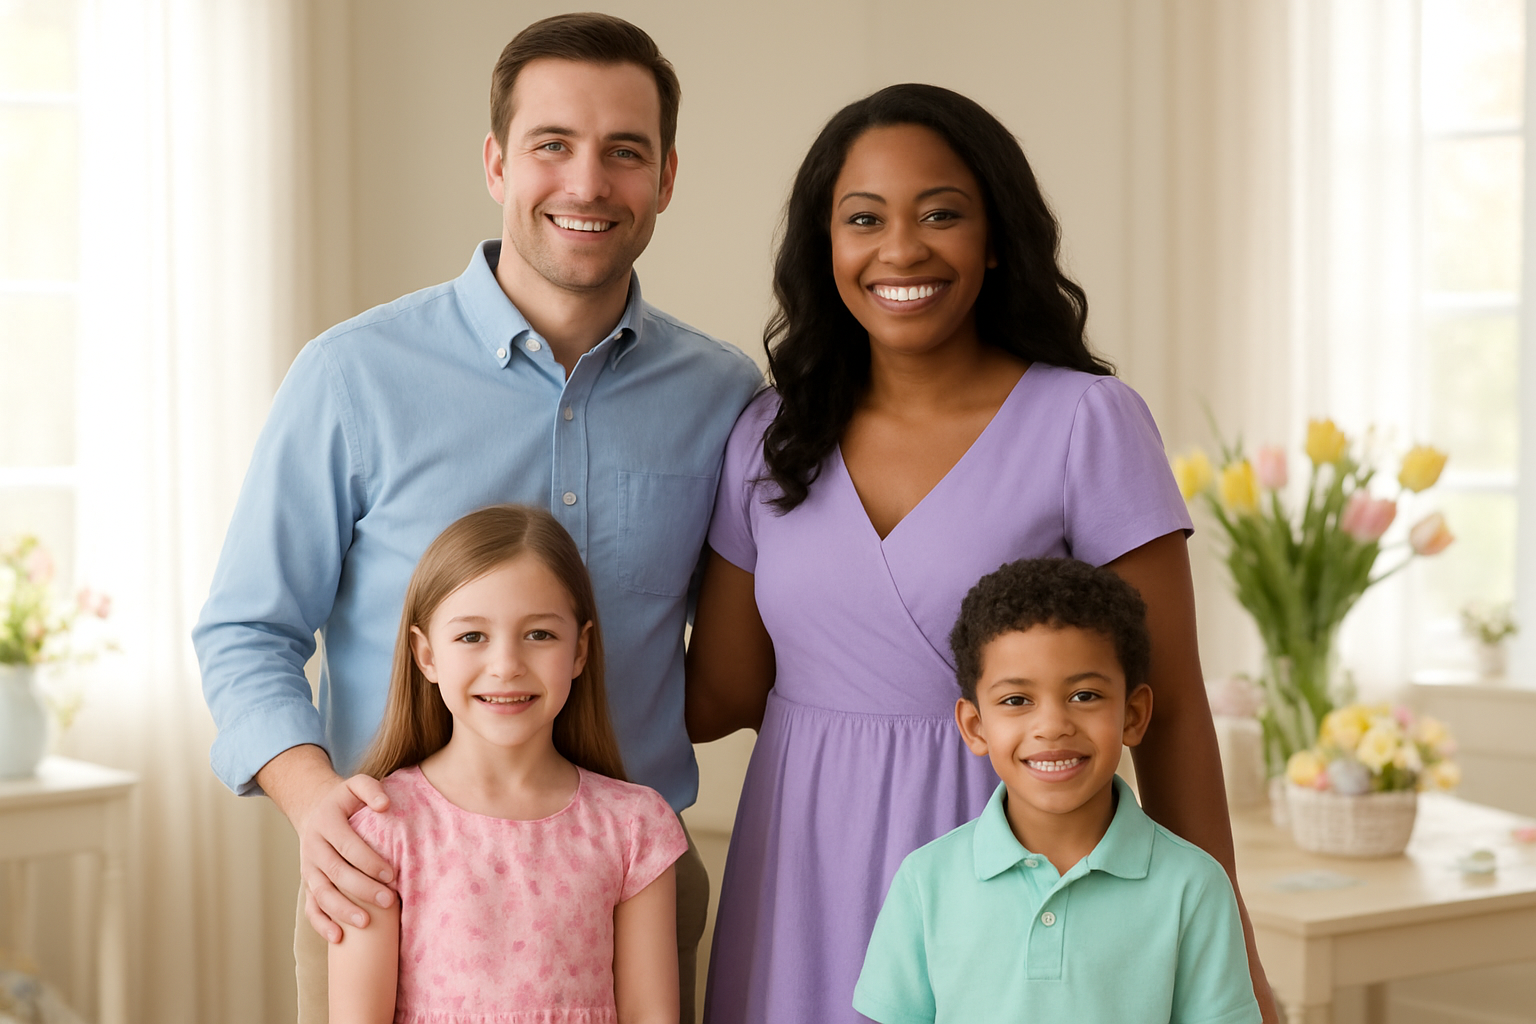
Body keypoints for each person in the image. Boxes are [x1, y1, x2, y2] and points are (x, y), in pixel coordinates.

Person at [193, 14, 761, 1022]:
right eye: (553, 144)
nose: (587, 182)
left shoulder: (723, 399)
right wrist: (315, 801)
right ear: (497, 162)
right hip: (389, 894)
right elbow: (247, 628)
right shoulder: (353, 376)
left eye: (624, 152)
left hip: (637, 886)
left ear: (667, 177)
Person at [685, 83, 1278, 1023]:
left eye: (941, 214)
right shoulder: (769, 434)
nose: (901, 249)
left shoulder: (1087, 422)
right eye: (864, 218)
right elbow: (717, 692)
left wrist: (1229, 950)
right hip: (800, 872)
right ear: (824, 247)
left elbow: (1167, 706)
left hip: (1013, 875)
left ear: (996, 238)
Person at [853, 558, 1261, 1024]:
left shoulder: (1194, 886)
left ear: (1132, 715)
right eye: (1016, 700)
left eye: (1084, 696)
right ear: (975, 726)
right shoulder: (925, 882)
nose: (1052, 726)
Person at [328, 505, 685, 1024]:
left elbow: (651, 1014)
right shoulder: (382, 830)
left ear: (580, 649)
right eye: (472, 636)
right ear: (426, 655)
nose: (506, 666)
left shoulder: (635, 829)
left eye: (539, 634)